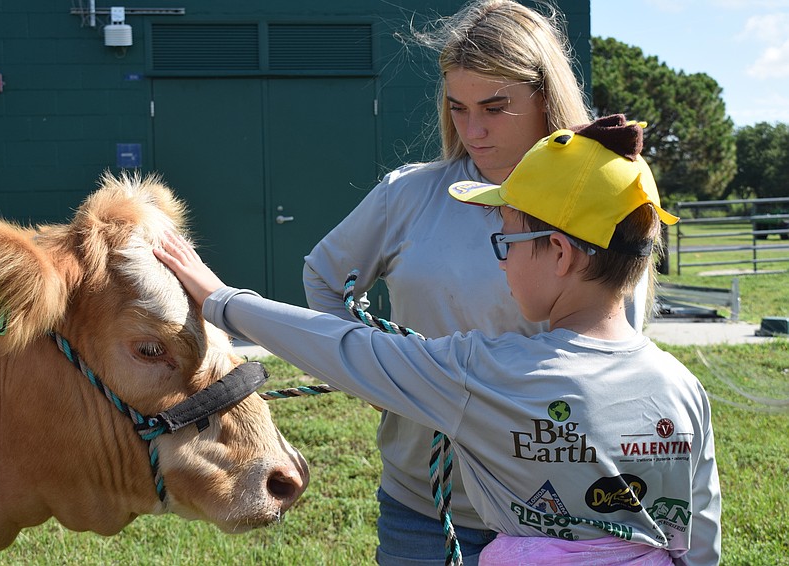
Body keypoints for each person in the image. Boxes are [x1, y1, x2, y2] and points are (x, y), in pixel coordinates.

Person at [154, 114, 721, 565]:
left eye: (507, 244)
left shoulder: (486, 375)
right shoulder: (684, 389)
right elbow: (700, 536)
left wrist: (221, 300)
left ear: (561, 253)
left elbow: (348, 350)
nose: (502, 265)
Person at [300, 1, 599, 562]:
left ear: (545, 97)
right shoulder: (408, 195)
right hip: (425, 511)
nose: (474, 129)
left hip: (561, 511)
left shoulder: (597, 198)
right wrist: (372, 369)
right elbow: (323, 278)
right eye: (458, 108)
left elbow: (614, 350)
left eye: (495, 106)